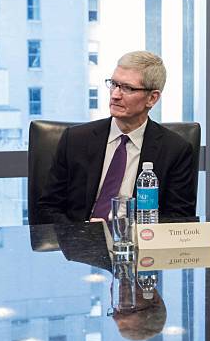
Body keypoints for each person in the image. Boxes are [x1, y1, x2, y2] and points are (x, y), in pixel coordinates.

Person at [37, 51, 196, 224]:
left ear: (152, 98)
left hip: (140, 244)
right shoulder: (75, 139)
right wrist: (83, 233)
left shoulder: (175, 150)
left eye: (127, 88)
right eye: (113, 84)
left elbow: (179, 218)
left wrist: (131, 233)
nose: (115, 95)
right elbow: (47, 208)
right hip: (82, 242)